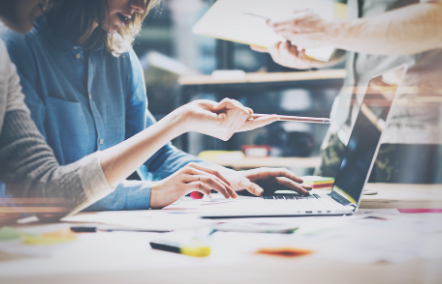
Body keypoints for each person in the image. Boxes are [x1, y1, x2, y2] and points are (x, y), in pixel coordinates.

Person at [1, 0, 312, 212]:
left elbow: (157, 154)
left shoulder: (120, 58)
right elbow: (32, 191)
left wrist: (231, 179)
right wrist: (152, 194)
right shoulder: (14, 48)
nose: (138, 7)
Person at [253, 0, 442, 183]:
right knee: (318, 210)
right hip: (345, 126)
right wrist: (312, 54)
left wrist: (328, 31)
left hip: (410, 133)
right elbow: (354, 32)